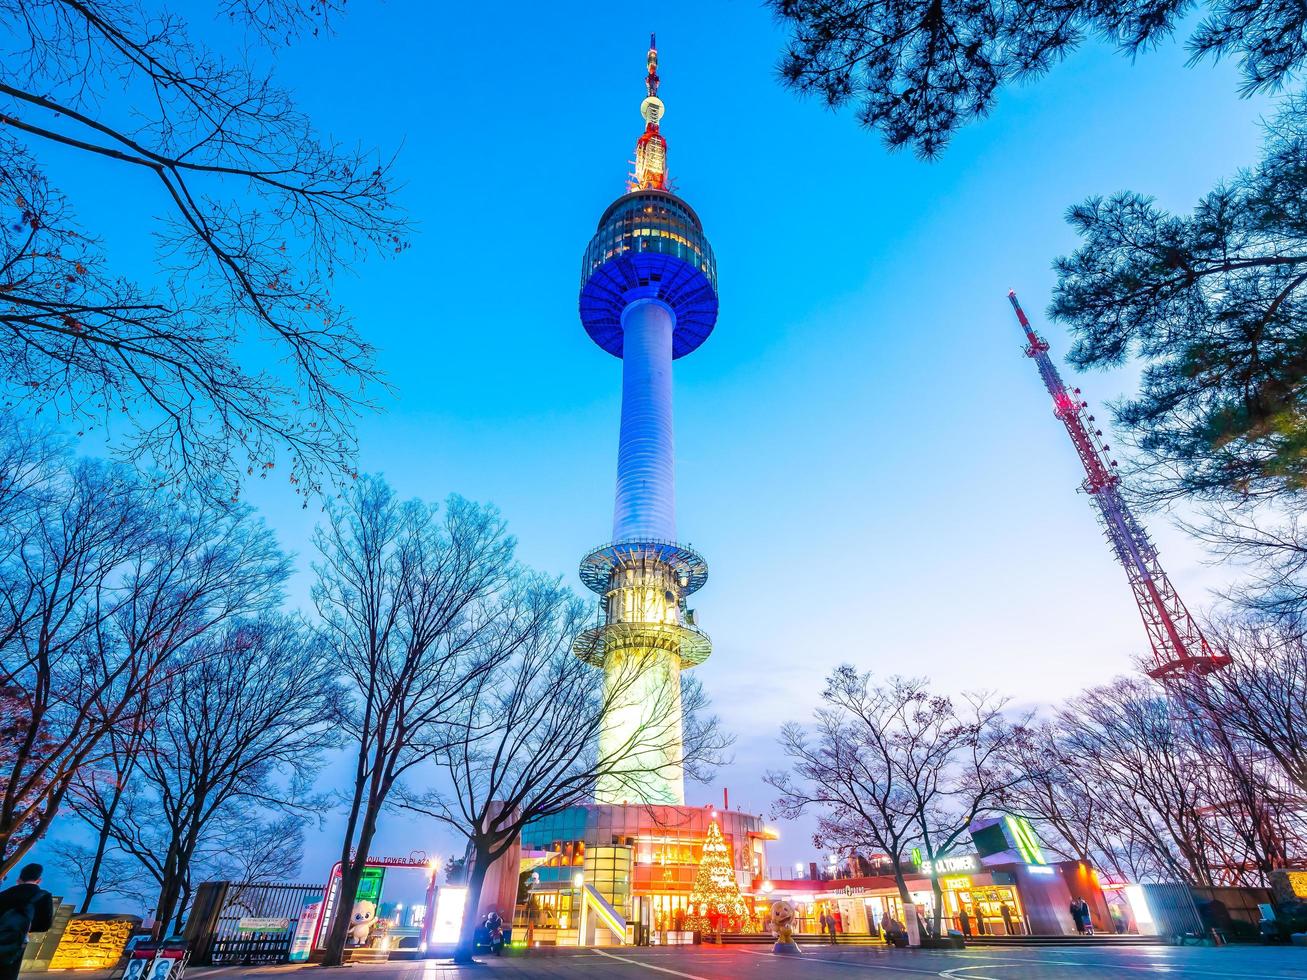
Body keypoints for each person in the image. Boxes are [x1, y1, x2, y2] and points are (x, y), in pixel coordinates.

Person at [0, 863, 54, 980]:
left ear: (19, 879)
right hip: (16, 943)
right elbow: (44, 925)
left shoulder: (4, 894)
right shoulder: (43, 896)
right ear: (38, 880)